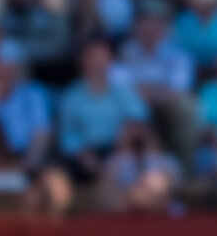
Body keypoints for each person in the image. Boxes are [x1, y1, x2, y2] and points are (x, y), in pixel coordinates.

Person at [57, 40, 149, 183]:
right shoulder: (71, 96)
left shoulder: (123, 91)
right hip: (84, 154)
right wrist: (84, 155)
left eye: (103, 59)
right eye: (93, 59)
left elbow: (138, 120)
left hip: (120, 150)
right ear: (82, 63)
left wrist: (121, 149)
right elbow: (68, 135)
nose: (99, 64)